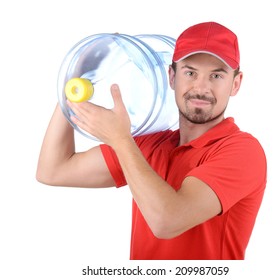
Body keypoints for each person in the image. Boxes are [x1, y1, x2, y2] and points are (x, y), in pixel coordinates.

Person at [36, 21, 267, 260]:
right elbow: (53, 170)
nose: (201, 87)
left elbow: (167, 221)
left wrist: (121, 139)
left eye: (216, 75)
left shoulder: (243, 151)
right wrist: (76, 79)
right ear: (171, 77)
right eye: (190, 72)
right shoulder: (152, 144)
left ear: (236, 84)